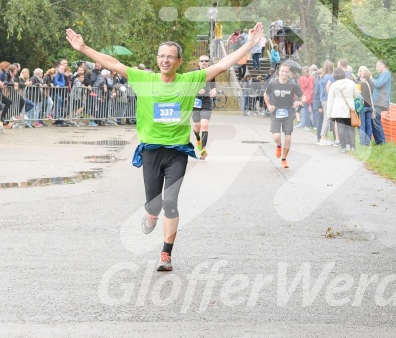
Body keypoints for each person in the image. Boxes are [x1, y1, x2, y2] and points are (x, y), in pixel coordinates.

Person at [65, 22, 264, 271]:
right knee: (154, 204)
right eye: (162, 56)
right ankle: (151, 213)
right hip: (151, 150)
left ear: (179, 62)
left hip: (177, 152)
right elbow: (113, 64)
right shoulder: (144, 79)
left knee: (170, 202)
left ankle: (166, 254)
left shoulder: (190, 80)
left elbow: (222, 65)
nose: (165, 60)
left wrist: (248, 45)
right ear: (157, 59)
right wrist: (84, 48)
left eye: (171, 57)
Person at [263, 63, 305, 168]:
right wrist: (268, 105)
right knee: (276, 136)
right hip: (276, 112)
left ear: (288, 73)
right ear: (279, 72)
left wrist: (299, 102)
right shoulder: (272, 84)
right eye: (282, 71)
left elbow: (303, 97)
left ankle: (284, 159)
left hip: (288, 113)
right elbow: (265, 94)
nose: (284, 73)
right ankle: (278, 146)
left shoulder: (293, 85)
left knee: (288, 138)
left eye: (286, 71)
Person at [327, 67, 359, 152]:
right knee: (350, 128)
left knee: (340, 128)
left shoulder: (334, 85)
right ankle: (352, 146)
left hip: (338, 109)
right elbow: (356, 95)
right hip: (349, 108)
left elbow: (330, 100)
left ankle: (343, 147)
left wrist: (328, 114)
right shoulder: (351, 83)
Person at [191, 55, 215, 160]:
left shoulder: (211, 73)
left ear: (209, 63)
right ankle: (197, 138)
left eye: (206, 61)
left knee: (204, 126)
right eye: (202, 61)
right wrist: (196, 90)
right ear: (199, 63)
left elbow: (214, 86)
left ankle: (203, 150)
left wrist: (214, 90)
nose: (204, 62)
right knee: (197, 127)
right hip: (195, 102)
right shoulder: (193, 73)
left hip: (206, 102)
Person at [371, 60, 392, 146]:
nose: (376, 68)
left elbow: (379, 84)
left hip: (380, 101)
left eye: (377, 66)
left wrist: (371, 78)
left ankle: (382, 141)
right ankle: (378, 141)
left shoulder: (386, 74)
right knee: (374, 121)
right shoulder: (382, 74)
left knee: (376, 121)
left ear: (383, 65)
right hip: (378, 101)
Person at [357, 66, 375, 146]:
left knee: (362, 124)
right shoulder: (372, 83)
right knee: (369, 124)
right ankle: (368, 142)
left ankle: (362, 142)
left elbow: (357, 95)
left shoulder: (361, 84)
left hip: (363, 106)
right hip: (370, 106)